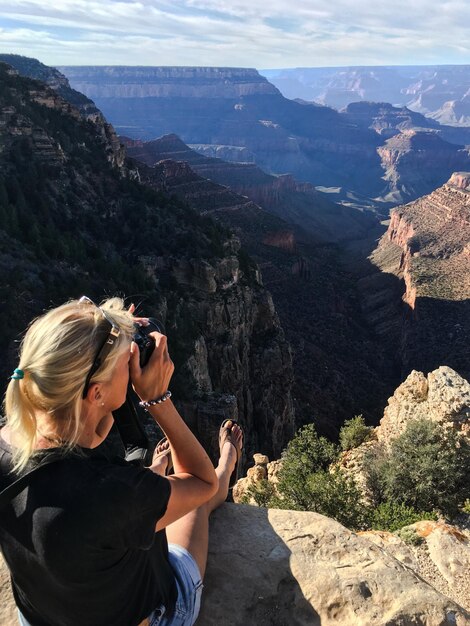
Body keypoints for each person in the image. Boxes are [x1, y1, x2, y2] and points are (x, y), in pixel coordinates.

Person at [0, 296, 243, 626]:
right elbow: (200, 482)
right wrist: (157, 399)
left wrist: (104, 329)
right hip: (147, 612)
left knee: (145, 498)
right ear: (95, 394)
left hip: (43, 615)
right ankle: (226, 467)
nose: (132, 364)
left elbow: (89, 433)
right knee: (196, 503)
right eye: (124, 364)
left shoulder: (9, 441)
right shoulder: (110, 492)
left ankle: (156, 473)